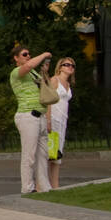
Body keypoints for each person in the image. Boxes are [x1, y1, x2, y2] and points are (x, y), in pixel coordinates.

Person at [8, 45, 52, 194]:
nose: (28, 56)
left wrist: (44, 73)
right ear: (16, 58)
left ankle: (44, 187)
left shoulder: (33, 72)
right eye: (24, 54)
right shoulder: (16, 72)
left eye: (29, 54)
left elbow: (45, 87)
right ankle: (27, 187)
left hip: (40, 115)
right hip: (27, 115)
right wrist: (44, 53)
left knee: (42, 154)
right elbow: (28, 66)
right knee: (29, 155)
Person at [48, 57, 75, 188]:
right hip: (53, 118)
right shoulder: (54, 80)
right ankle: (41, 184)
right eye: (67, 64)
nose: (70, 67)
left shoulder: (68, 84)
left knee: (57, 153)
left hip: (62, 120)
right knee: (49, 152)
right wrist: (47, 120)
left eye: (72, 65)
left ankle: (55, 184)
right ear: (60, 67)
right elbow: (47, 100)